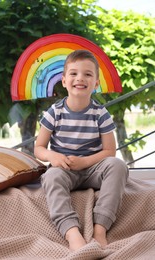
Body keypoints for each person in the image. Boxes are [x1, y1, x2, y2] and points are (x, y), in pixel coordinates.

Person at [34, 49, 129, 251]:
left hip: (93, 169)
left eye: (88, 74)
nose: (80, 78)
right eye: (74, 73)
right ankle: (72, 233)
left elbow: (110, 151)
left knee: (118, 165)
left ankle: (100, 229)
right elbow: (39, 148)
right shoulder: (54, 112)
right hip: (65, 169)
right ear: (64, 80)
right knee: (51, 176)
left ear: (95, 83)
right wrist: (53, 156)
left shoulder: (100, 113)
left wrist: (85, 162)